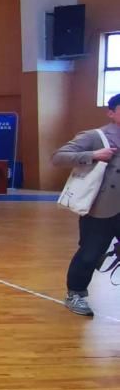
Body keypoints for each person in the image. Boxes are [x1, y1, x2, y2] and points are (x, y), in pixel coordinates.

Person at [52, 92, 120, 317]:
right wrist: (93, 154)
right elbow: (58, 157)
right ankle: (76, 294)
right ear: (111, 113)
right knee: (90, 253)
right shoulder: (96, 136)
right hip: (101, 208)